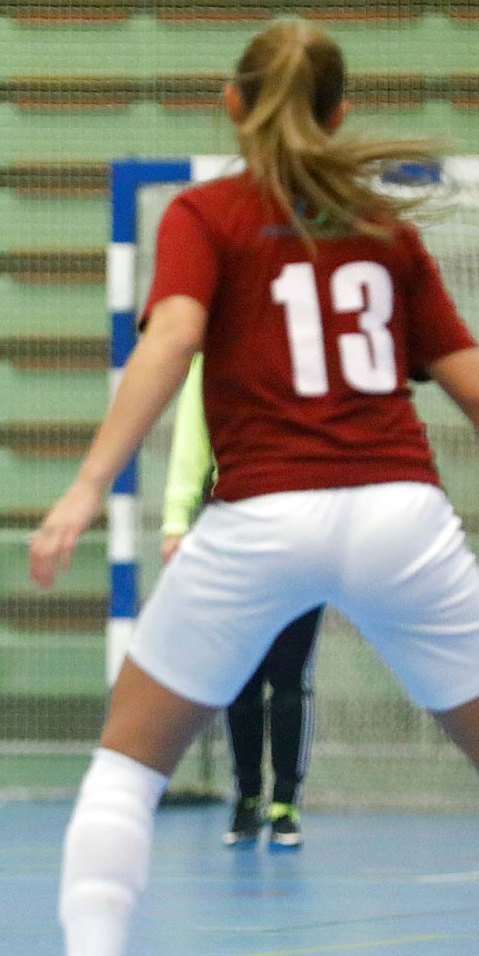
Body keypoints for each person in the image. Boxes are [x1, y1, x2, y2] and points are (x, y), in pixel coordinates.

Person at [25, 20, 479, 956]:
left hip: (262, 515)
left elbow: (169, 342)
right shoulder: (387, 230)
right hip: (402, 516)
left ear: (231, 102)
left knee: (127, 768)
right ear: (339, 112)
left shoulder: (208, 215)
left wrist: (84, 487)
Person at [161, 354, 318, 849]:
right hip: (232, 535)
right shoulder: (214, 360)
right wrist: (175, 520)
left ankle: (285, 803)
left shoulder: (313, 361)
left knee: (290, 678)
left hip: (304, 537)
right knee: (242, 679)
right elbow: (192, 441)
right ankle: (247, 797)